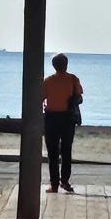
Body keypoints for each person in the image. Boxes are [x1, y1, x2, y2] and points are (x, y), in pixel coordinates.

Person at [43, 53, 83, 193]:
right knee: (66, 151)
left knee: (52, 152)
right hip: (68, 118)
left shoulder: (48, 81)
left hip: (51, 118)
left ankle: (54, 184)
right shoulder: (72, 79)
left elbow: (40, 99)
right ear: (66, 64)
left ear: (54, 66)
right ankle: (64, 181)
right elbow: (80, 96)